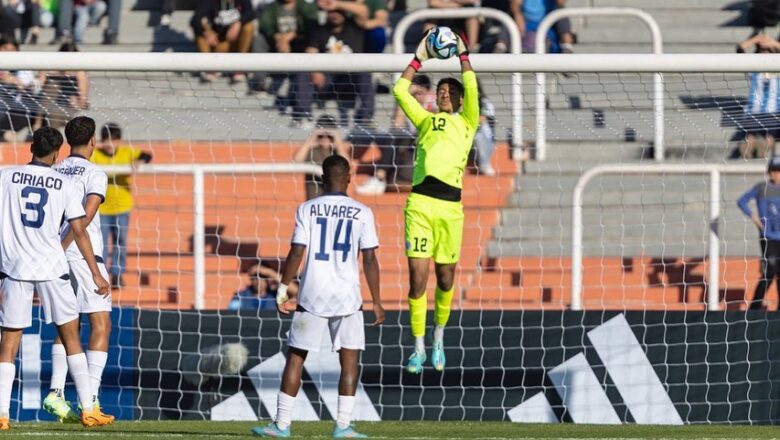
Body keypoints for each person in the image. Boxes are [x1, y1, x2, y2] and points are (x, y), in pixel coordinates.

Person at [251, 154, 384, 438]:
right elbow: (370, 259)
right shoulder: (363, 212)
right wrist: (377, 300)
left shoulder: (307, 209)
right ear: (349, 178)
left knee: (296, 358)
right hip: (348, 297)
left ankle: (282, 425)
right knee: (349, 361)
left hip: (312, 295)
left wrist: (284, 288)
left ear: (322, 180)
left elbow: (297, 251)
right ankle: (343, 426)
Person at [0, 127, 112, 431]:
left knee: (9, 343)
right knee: (71, 335)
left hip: (15, 268)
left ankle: (2, 415)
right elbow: (79, 229)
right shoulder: (63, 183)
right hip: (52, 265)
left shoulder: (5, 175)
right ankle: (89, 409)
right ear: (56, 152)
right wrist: (95, 272)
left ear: (30, 148)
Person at [394, 30, 478, 373]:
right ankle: (416, 346)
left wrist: (463, 54)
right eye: (441, 91)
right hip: (420, 205)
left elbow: (471, 86)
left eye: (450, 92)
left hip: (450, 210)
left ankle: (439, 336)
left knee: (445, 279)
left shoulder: (467, 122)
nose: (444, 95)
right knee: (417, 279)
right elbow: (400, 90)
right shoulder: (426, 121)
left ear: (459, 101)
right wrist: (418, 57)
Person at [41, 116, 113, 423]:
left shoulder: (53, 169)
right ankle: (91, 400)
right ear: (93, 141)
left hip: (52, 257)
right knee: (101, 323)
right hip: (83, 256)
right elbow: (84, 216)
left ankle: (57, 393)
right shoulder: (95, 173)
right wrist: (66, 248)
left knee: (69, 324)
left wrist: (54, 251)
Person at [291, 0, 373, 128]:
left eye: (338, 11)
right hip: (326, 81)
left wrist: (337, 4)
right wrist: (315, 70)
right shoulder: (319, 31)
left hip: (350, 81)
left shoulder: (355, 27)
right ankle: (302, 116)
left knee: (365, 72)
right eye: (331, 11)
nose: (335, 14)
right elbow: (310, 51)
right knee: (304, 72)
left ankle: (365, 118)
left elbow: (364, 11)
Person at [91, 123, 153, 289]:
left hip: (122, 207)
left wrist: (140, 161)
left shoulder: (127, 152)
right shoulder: (95, 155)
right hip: (101, 209)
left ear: (120, 141)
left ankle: (117, 274)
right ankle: (101, 273)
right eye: (107, 141)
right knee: (101, 243)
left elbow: (147, 155)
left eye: (114, 140)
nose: (110, 145)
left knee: (120, 241)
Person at [737, 157, 780, 310]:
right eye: (774, 171)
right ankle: (754, 308)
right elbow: (741, 201)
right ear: (769, 172)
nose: (777, 175)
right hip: (768, 237)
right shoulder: (762, 188)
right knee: (769, 273)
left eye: (779, 171)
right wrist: (754, 217)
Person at [734, 34, 780, 159]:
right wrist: (757, 39)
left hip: (774, 112)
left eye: (767, 50)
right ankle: (747, 156)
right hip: (754, 111)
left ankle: (762, 155)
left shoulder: (777, 67)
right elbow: (740, 50)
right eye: (761, 50)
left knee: (769, 137)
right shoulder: (753, 68)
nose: (764, 52)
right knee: (749, 137)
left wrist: (772, 42)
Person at [190, 0, 256, 82]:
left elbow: (252, 13)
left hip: (237, 44)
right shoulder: (210, 2)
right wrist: (207, 33)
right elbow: (194, 20)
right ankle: (209, 68)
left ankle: (240, 67)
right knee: (200, 34)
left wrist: (238, 23)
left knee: (249, 26)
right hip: (219, 44)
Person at [293, 115, 351, 200]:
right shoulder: (312, 151)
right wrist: (312, 137)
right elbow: (296, 160)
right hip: (314, 201)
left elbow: (347, 164)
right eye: (321, 136)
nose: (325, 139)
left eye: (329, 136)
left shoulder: (337, 152)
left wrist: (337, 140)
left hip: (334, 202)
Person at [35, 42, 89, 130]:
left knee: (55, 114)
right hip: (47, 105)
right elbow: (37, 88)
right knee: (52, 86)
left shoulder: (79, 73)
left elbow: (83, 101)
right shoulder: (51, 69)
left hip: (68, 107)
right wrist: (46, 72)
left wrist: (77, 102)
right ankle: (38, 121)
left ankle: (39, 124)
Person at [227, 263, 298, 311]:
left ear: (268, 279)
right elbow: (232, 313)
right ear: (251, 279)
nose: (258, 281)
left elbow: (296, 291)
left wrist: (270, 273)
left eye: (262, 277)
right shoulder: (241, 296)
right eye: (255, 277)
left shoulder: (275, 295)